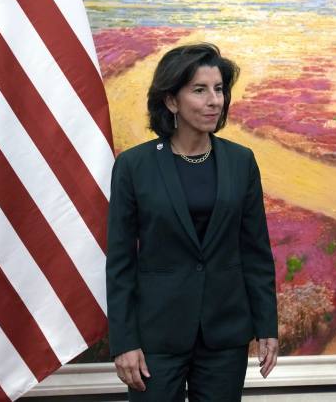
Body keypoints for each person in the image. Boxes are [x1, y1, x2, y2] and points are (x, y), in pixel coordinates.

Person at [107, 43, 279, 401]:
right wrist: (124, 342)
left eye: (219, 89)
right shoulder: (134, 166)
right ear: (172, 101)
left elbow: (256, 253)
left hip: (224, 335)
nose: (214, 101)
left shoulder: (241, 161)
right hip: (156, 336)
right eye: (200, 90)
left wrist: (267, 326)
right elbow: (120, 262)